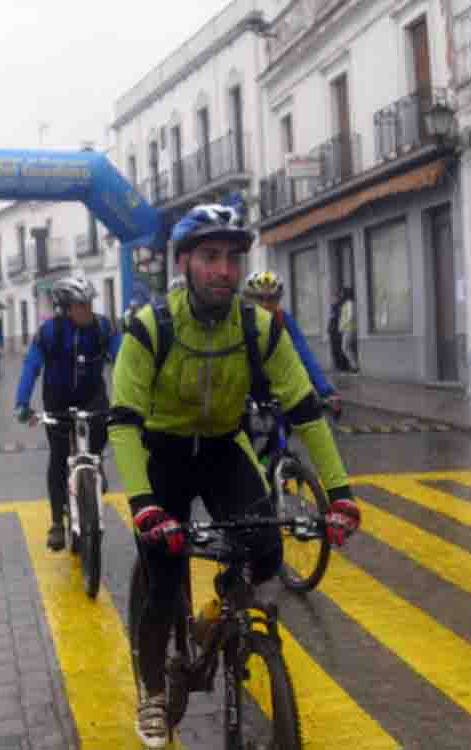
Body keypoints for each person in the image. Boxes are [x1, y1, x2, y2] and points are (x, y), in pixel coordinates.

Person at [109, 203, 360, 748]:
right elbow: (124, 423)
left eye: (232, 258)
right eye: (210, 257)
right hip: (163, 454)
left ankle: (222, 612)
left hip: (225, 447)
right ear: (183, 263)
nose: (224, 270)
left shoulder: (259, 326)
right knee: (163, 582)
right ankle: (153, 693)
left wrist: (340, 495)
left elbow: (305, 409)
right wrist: (144, 505)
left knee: (266, 550)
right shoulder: (150, 328)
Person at [14, 276, 121, 551]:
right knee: (59, 457)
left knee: (102, 430)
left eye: (89, 304)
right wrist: (22, 403)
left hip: (92, 395)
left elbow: (123, 360)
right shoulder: (49, 332)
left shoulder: (103, 328)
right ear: (65, 308)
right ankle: (56, 524)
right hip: (57, 399)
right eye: (80, 305)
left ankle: (94, 462)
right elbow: (31, 366)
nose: (87, 310)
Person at [243, 270, 341, 412]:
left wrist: (325, 391)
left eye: (271, 299)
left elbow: (304, 353)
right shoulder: (239, 319)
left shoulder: (282, 319)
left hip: (278, 385)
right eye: (259, 298)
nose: (265, 304)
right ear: (249, 299)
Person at [327, 288, 349, 372]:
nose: (331, 299)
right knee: (334, 351)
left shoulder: (339, 307)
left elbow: (339, 319)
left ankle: (343, 367)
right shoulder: (333, 307)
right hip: (333, 331)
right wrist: (329, 329)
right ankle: (338, 367)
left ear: (337, 298)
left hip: (338, 332)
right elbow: (331, 320)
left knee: (339, 350)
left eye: (333, 298)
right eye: (331, 298)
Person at [339, 286, 358, 373]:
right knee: (347, 347)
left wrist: (343, 325)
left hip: (349, 328)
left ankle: (354, 366)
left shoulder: (350, 303)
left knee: (345, 347)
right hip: (346, 329)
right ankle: (353, 366)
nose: (341, 295)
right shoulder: (346, 303)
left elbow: (350, 316)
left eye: (342, 293)